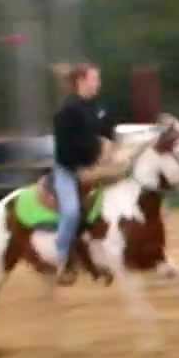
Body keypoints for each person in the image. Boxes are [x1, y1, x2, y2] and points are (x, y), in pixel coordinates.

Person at [51, 62, 116, 286]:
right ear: (81, 81)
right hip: (69, 171)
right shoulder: (66, 111)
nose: (98, 83)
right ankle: (60, 258)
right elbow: (64, 149)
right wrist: (82, 169)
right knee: (70, 212)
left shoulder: (100, 106)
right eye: (94, 79)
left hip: (97, 167)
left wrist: (107, 148)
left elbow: (108, 132)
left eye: (98, 79)